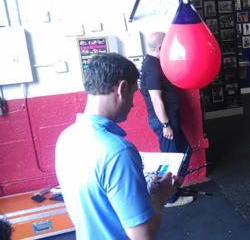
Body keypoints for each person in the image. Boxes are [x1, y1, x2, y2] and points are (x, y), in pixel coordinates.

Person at [55, 53, 183, 239]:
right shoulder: (118, 151)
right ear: (122, 88)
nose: (132, 104)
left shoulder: (66, 137)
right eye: (133, 93)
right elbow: (143, 235)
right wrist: (159, 196)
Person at [140, 32, 193, 207]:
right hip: (164, 122)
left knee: (185, 152)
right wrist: (166, 125)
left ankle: (174, 188)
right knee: (171, 160)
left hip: (170, 120)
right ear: (161, 47)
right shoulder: (152, 67)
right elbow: (156, 99)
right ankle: (169, 198)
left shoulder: (155, 63)